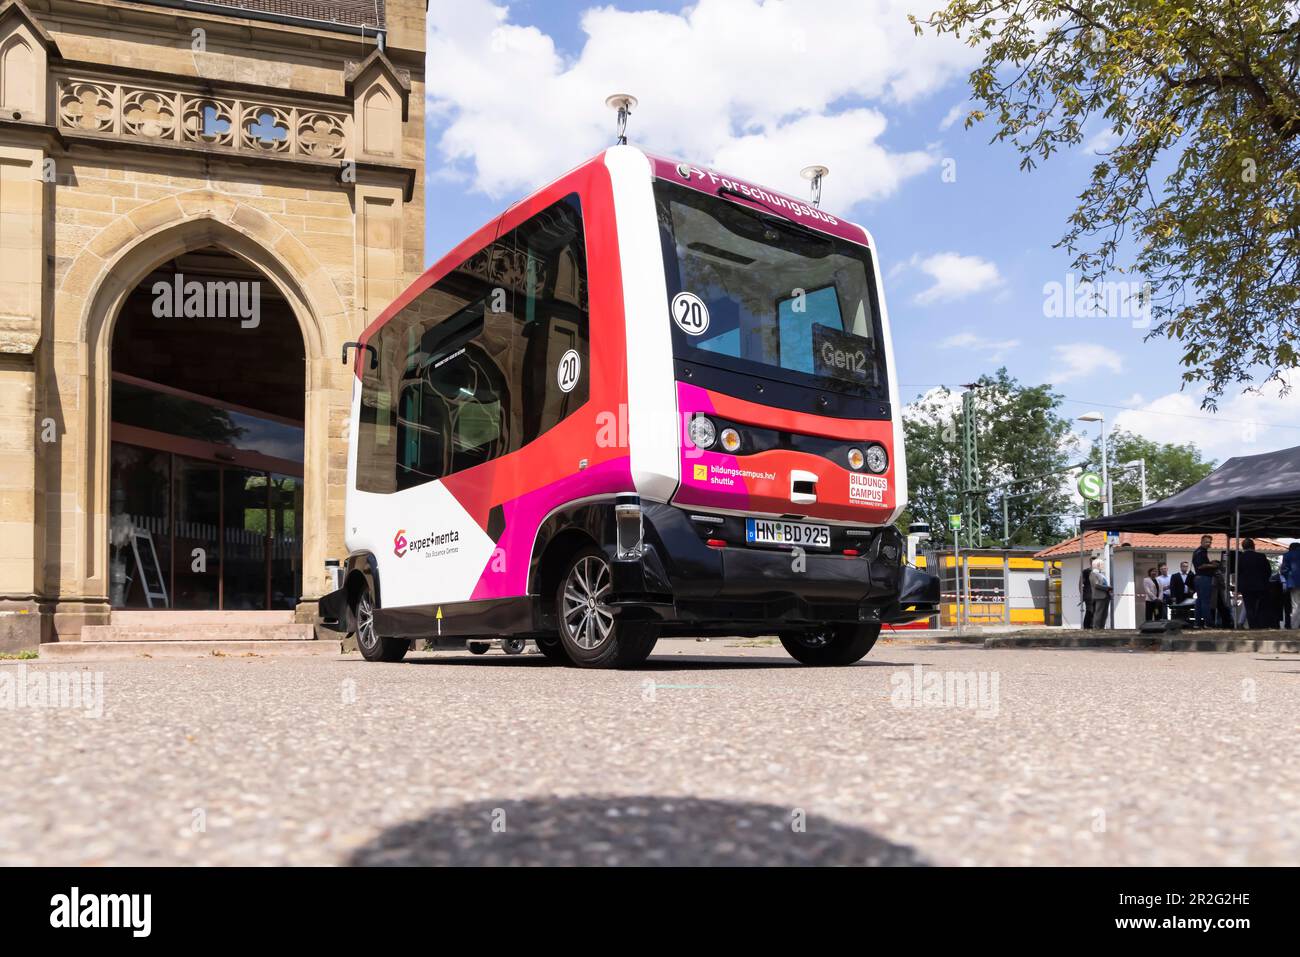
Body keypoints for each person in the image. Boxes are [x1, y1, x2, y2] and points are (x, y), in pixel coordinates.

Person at [1234, 539, 1274, 630]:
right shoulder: (1261, 556)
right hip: (1261, 586)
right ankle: (1262, 625)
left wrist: (1239, 587)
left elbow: (1238, 573)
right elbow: (1268, 571)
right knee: (1261, 606)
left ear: (1243, 547)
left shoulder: (1240, 558)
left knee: (1249, 607)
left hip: (1246, 587)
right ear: (1253, 546)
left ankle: (1253, 626)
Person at [1191, 535, 1216, 628]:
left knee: (1199, 601)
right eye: (1206, 542)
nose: (1208, 543)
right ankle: (1208, 623)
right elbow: (1201, 566)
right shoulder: (1201, 552)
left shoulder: (1198, 551)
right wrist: (1213, 565)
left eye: (1210, 542)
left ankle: (1197, 623)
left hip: (1198, 578)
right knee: (1206, 601)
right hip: (1204, 578)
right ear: (1201, 542)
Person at [1281, 542, 1300, 630]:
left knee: (1295, 605)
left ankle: (1294, 626)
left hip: (1294, 583)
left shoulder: (1287, 555)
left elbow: (1284, 570)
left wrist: (1288, 577)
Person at [1089, 558, 1112, 629]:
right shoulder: (1093, 574)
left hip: (1106, 596)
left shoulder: (1101, 574)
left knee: (1104, 614)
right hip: (1099, 596)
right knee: (1099, 613)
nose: (1103, 566)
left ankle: (1101, 628)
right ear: (1098, 565)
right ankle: (1096, 628)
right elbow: (1096, 585)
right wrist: (1107, 588)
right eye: (1102, 564)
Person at [1079, 561, 1094, 628]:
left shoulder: (1097, 572)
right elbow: (1080, 583)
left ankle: (1089, 627)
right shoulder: (1086, 572)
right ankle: (1087, 627)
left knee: (1092, 611)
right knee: (1090, 611)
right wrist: (1082, 595)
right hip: (1089, 595)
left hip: (1093, 595)